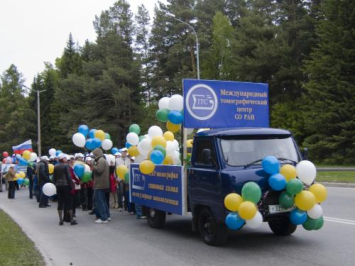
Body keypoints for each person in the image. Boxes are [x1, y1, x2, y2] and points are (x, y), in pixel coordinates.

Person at [53, 153, 77, 226]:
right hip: (66, 185)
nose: (66, 159)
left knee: (60, 203)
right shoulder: (66, 166)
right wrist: (72, 185)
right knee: (68, 202)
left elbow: (54, 177)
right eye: (65, 158)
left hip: (58, 185)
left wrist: (55, 185)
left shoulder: (56, 166)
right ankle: (71, 219)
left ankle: (60, 220)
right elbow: (68, 177)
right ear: (62, 159)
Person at [92, 148, 110, 224]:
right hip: (103, 184)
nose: (93, 156)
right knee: (103, 200)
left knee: (100, 201)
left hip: (100, 184)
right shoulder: (103, 160)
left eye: (94, 155)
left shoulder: (101, 161)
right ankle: (107, 215)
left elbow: (99, 170)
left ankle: (103, 218)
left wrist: (93, 165)